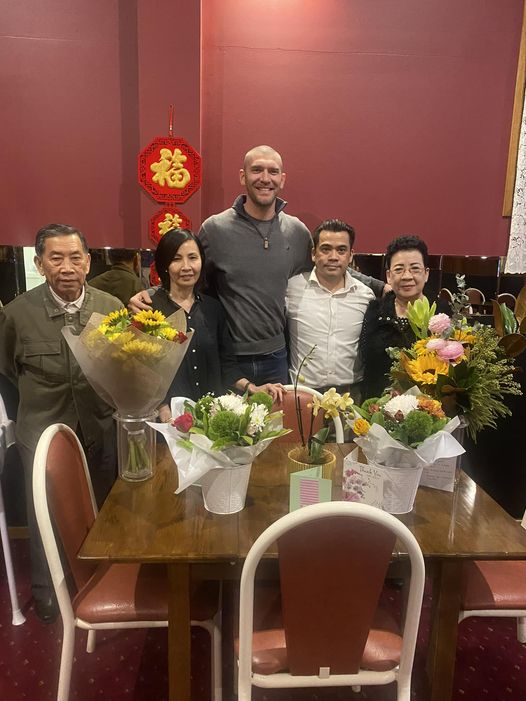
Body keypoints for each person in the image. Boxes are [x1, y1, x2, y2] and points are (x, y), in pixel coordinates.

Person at [130, 145, 386, 384]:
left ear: (282, 179)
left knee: (277, 430)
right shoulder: (215, 229)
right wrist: (152, 294)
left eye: (273, 171)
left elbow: (330, 264)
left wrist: (379, 287)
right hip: (228, 356)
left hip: (277, 357)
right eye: (257, 170)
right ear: (243, 177)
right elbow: (187, 272)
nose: (265, 178)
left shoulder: (296, 232)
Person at [0, 223, 122, 623]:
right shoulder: (16, 315)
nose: (66, 267)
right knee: (45, 515)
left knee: (103, 507)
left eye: (75, 257)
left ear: (88, 262)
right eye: (56, 258)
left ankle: (104, 580)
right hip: (43, 433)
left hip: (99, 426)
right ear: (39, 263)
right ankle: (47, 589)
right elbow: (7, 372)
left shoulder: (109, 307)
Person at [150, 228, 285, 422]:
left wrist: (252, 388)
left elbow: (227, 364)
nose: (186, 266)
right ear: (164, 265)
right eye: (176, 259)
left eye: (192, 258)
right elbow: (144, 373)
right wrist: (162, 408)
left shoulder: (213, 309)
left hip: (211, 418)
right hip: (170, 420)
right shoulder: (150, 310)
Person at [286, 219, 374, 402]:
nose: (333, 257)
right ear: (313, 253)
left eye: (341, 250)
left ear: (350, 256)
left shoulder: (365, 296)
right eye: (326, 249)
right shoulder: (291, 289)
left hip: (351, 397)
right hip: (303, 396)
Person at [359, 234, 449, 398]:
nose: (407, 276)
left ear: (426, 273)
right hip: (377, 410)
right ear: (388, 275)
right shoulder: (375, 310)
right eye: (399, 269)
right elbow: (366, 363)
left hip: (430, 410)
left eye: (415, 268)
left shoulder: (442, 313)